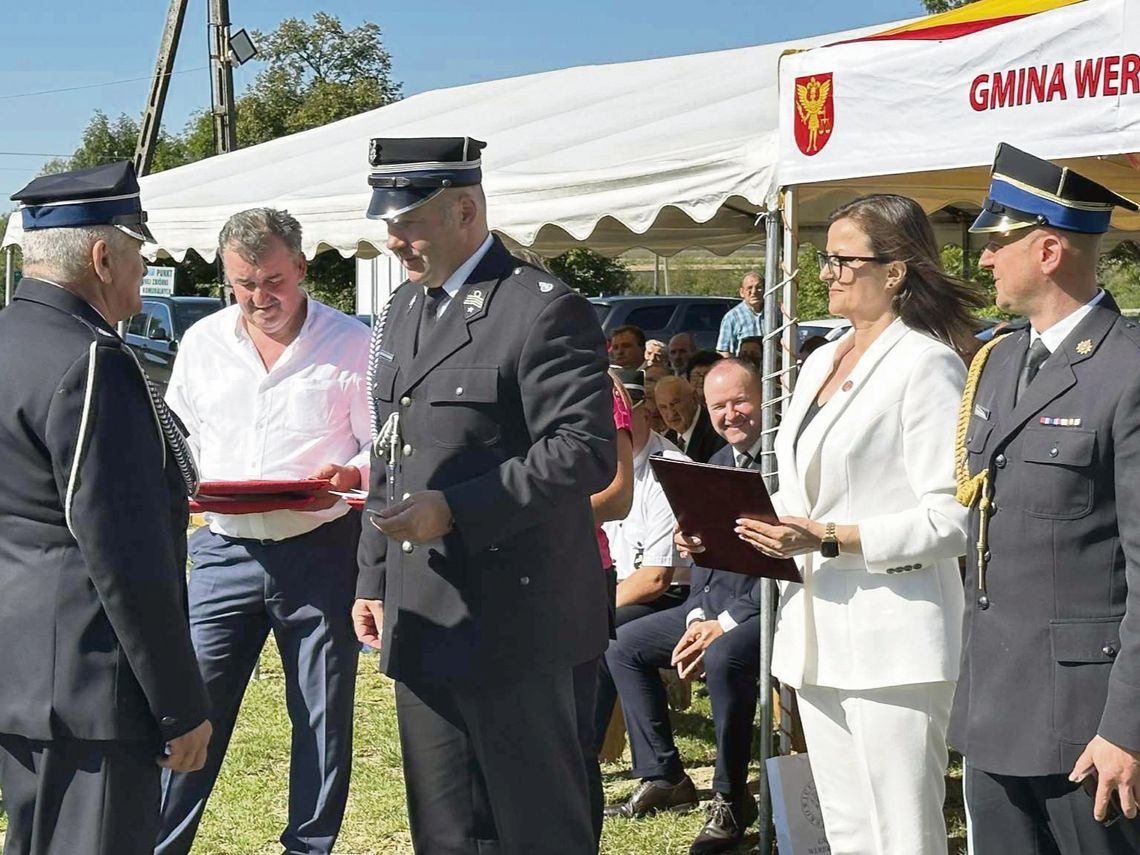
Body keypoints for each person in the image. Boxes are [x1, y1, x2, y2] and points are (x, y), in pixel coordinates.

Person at [352, 137, 616, 854]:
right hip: (426, 611)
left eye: (409, 222)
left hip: (519, 621)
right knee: (446, 830)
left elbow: (583, 451)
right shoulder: (404, 307)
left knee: (537, 827)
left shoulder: (539, 308)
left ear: (466, 210)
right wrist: (373, 577)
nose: (394, 240)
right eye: (389, 223)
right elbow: (392, 447)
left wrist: (456, 510)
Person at [730, 194, 982, 854]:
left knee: (902, 835)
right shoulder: (821, 359)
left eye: (842, 260)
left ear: (894, 271)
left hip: (894, 639)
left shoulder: (927, 363)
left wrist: (831, 536)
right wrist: (733, 522)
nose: (825, 273)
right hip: (815, 636)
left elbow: (953, 518)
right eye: (825, 257)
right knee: (844, 833)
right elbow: (800, 492)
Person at [0, 162, 211, 855]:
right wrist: (179, 703)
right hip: (89, 685)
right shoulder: (93, 362)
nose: (144, 268)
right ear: (102, 257)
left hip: (22, 671)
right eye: (138, 251)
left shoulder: (10, 339)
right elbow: (124, 552)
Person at [157, 208, 371, 855]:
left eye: (273, 281)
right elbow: (178, 440)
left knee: (321, 715)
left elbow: (384, 446)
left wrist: (351, 473)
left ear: (301, 267)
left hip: (320, 549)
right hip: (221, 549)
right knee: (190, 710)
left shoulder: (353, 343)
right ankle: (157, 843)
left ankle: (309, 848)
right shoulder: (202, 342)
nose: (259, 297)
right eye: (243, 284)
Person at [952, 144, 1140, 853]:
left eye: (998, 243)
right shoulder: (999, 361)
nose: (985, 259)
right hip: (995, 706)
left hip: (1087, 724)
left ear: (1050, 250)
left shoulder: (1127, 371)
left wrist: (1128, 726)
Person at [606, 359, 765, 854]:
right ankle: (664, 775)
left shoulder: (785, 462)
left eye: (740, 401)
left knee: (724, 656)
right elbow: (703, 556)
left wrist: (724, 623)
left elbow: (785, 571)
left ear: (763, 398)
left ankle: (730, 797)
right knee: (622, 643)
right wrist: (699, 614)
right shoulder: (715, 462)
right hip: (713, 603)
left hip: (768, 610)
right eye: (719, 406)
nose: (730, 414)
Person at [578, 370, 636, 846]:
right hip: (513, 579)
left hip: (578, 575)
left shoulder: (599, 385)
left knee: (576, 740)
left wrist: (520, 514)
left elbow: (618, 496)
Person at [656, 374, 726, 463]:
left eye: (675, 403)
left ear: (694, 398)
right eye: (663, 407)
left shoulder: (716, 431)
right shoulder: (667, 439)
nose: (671, 414)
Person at [716, 271, 764, 357]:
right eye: (749, 288)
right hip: (744, 364)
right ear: (742, 292)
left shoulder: (776, 314)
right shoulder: (732, 317)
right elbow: (724, 351)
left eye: (758, 287)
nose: (754, 292)